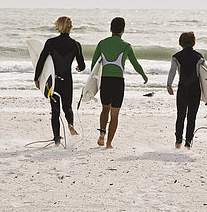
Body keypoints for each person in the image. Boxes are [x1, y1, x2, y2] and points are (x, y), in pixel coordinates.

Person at [92, 17, 148, 149]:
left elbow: (94, 65)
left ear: (110, 29)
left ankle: (102, 134)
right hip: (118, 82)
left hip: (105, 81)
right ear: (123, 30)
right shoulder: (126, 46)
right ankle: (109, 143)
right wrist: (143, 75)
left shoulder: (102, 43)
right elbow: (135, 64)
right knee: (115, 113)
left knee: (105, 109)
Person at [34, 16, 85, 145]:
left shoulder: (50, 42)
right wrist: (79, 68)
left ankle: (57, 139)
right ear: (70, 27)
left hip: (54, 81)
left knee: (55, 110)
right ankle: (70, 124)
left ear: (58, 26)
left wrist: (37, 78)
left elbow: (41, 61)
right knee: (67, 107)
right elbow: (82, 65)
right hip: (67, 80)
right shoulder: (76, 44)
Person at [167, 31, 205, 150]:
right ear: (193, 42)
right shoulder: (199, 57)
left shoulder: (176, 57)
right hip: (195, 89)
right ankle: (188, 143)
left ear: (181, 42)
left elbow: (172, 71)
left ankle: (178, 142)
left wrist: (169, 85)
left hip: (183, 88)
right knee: (192, 116)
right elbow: (205, 76)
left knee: (180, 115)